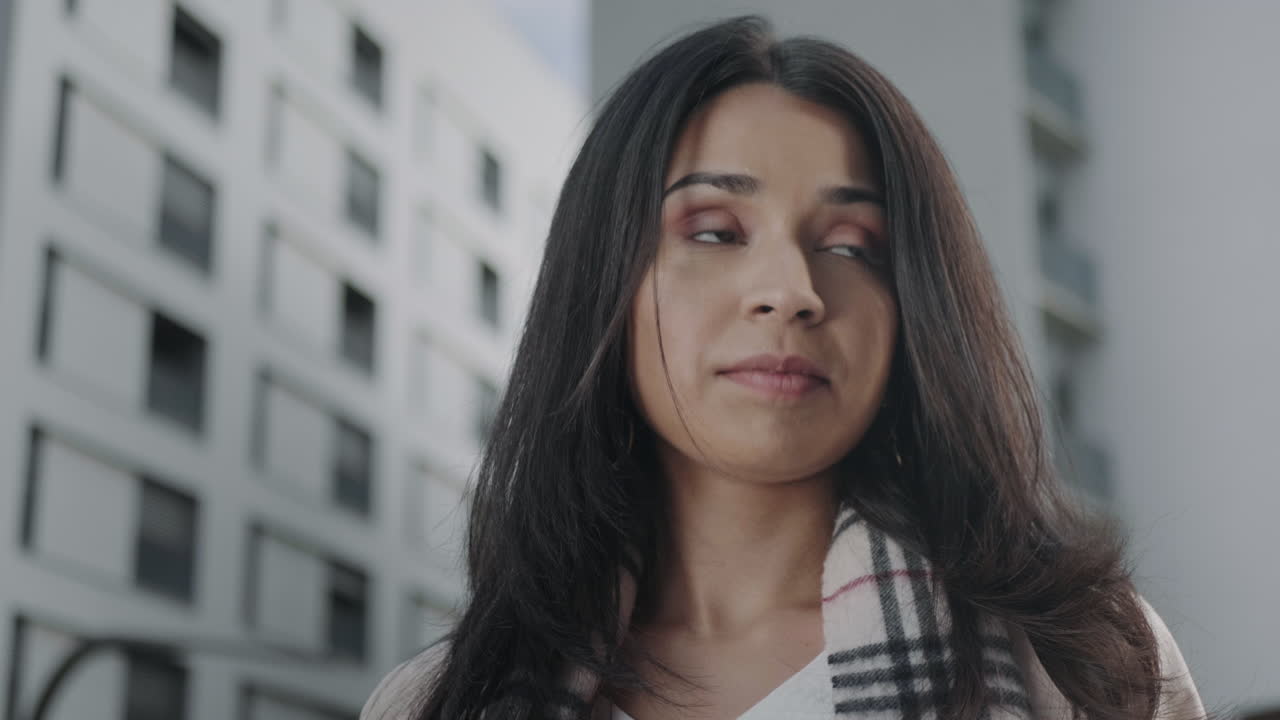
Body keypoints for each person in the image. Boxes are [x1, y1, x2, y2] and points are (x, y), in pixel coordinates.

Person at [361, 15, 1204, 720]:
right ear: (604, 281)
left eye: (850, 245)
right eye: (715, 231)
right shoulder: (437, 702)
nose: (793, 292)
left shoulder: (1084, 659)